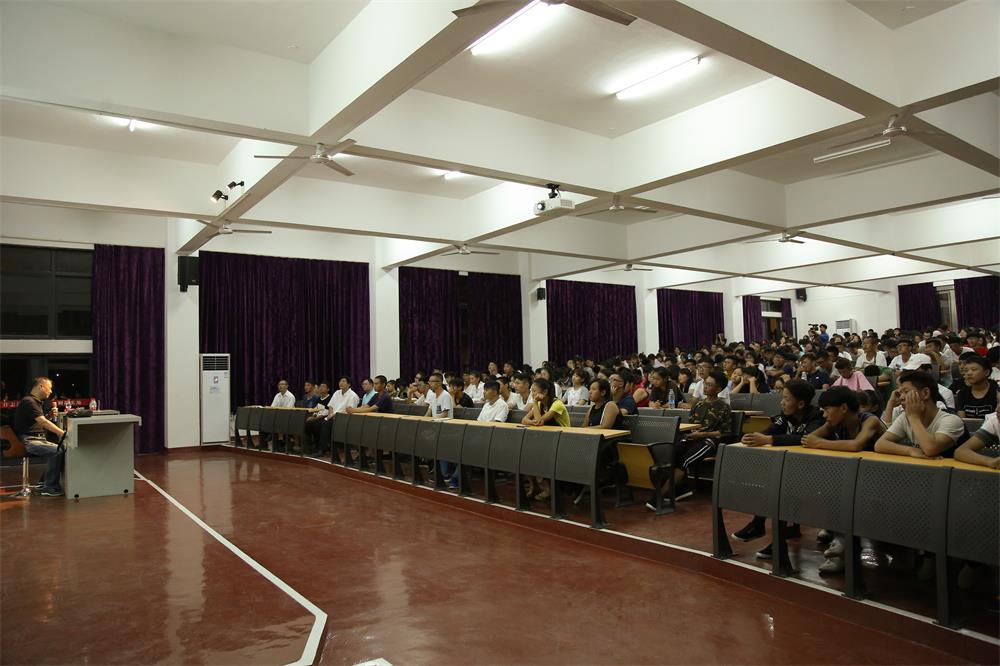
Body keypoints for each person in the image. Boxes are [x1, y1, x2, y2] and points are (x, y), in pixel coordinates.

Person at [803, 387, 888, 573]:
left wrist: (821, 443)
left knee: (843, 496)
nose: (824, 415)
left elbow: (856, 445)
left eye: (827, 410)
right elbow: (809, 439)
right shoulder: (834, 423)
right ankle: (839, 544)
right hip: (859, 480)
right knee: (831, 489)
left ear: (843, 408)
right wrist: (818, 441)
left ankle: (841, 544)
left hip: (887, 482)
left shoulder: (870, 420)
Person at [734, 380, 824, 549]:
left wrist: (769, 439)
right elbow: (771, 430)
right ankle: (762, 527)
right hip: (792, 468)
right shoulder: (785, 415)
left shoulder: (817, 417)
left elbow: (805, 439)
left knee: (782, 489)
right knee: (774, 484)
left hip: (816, 471)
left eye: (787, 399)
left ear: (801, 404)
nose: (782, 402)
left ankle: (775, 538)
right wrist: (755, 437)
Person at [874, 370, 964, 458]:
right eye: (900, 393)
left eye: (906, 392)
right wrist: (910, 451)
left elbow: (930, 449)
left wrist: (914, 418)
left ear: (925, 393)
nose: (901, 397)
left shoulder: (952, 420)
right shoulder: (905, 417)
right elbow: (880, 444)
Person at [671, 371, 731, 501]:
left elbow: (724, 432)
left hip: (709, 441)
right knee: (672, 452)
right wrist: (691, 435)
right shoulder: (698, 404)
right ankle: (681, 488)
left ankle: (660, 495)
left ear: (718, 389)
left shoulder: (724, 407)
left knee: (685, 461)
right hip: (694, 438)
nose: (706, 387)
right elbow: (691, 425)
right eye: (705, 384)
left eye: (710, 385)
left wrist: (703, 434)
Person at [13, 377, 66, 496]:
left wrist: (49, 416)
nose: (50, 391)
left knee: (60, 448)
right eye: (49, 388)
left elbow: (37, 422)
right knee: (57, 451)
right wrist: (62, 433)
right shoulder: (29, 401)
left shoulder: (34, 401)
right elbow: (43, 422)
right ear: (41, 387)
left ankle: (42, 483)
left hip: (37, 439)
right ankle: (49, 487)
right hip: (29, 441)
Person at [522, 378, 570, 501]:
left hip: (562, 440)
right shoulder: (539, 404)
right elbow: (524, 420)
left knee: (538, 456)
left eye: (534, 391)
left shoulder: (557, 404)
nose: (532, 393)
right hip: (547, 439)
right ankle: (534, 486)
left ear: (545, 392)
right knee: (524, 454)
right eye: (531, 391)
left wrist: (534, 404)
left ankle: (547, 489)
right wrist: (532, 421)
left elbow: (540, 422)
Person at [954, 403, 1000, 469]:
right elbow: (960, 452)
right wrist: (990, 461)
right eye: (998, 402)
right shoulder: (995, 421)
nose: (997, 409)